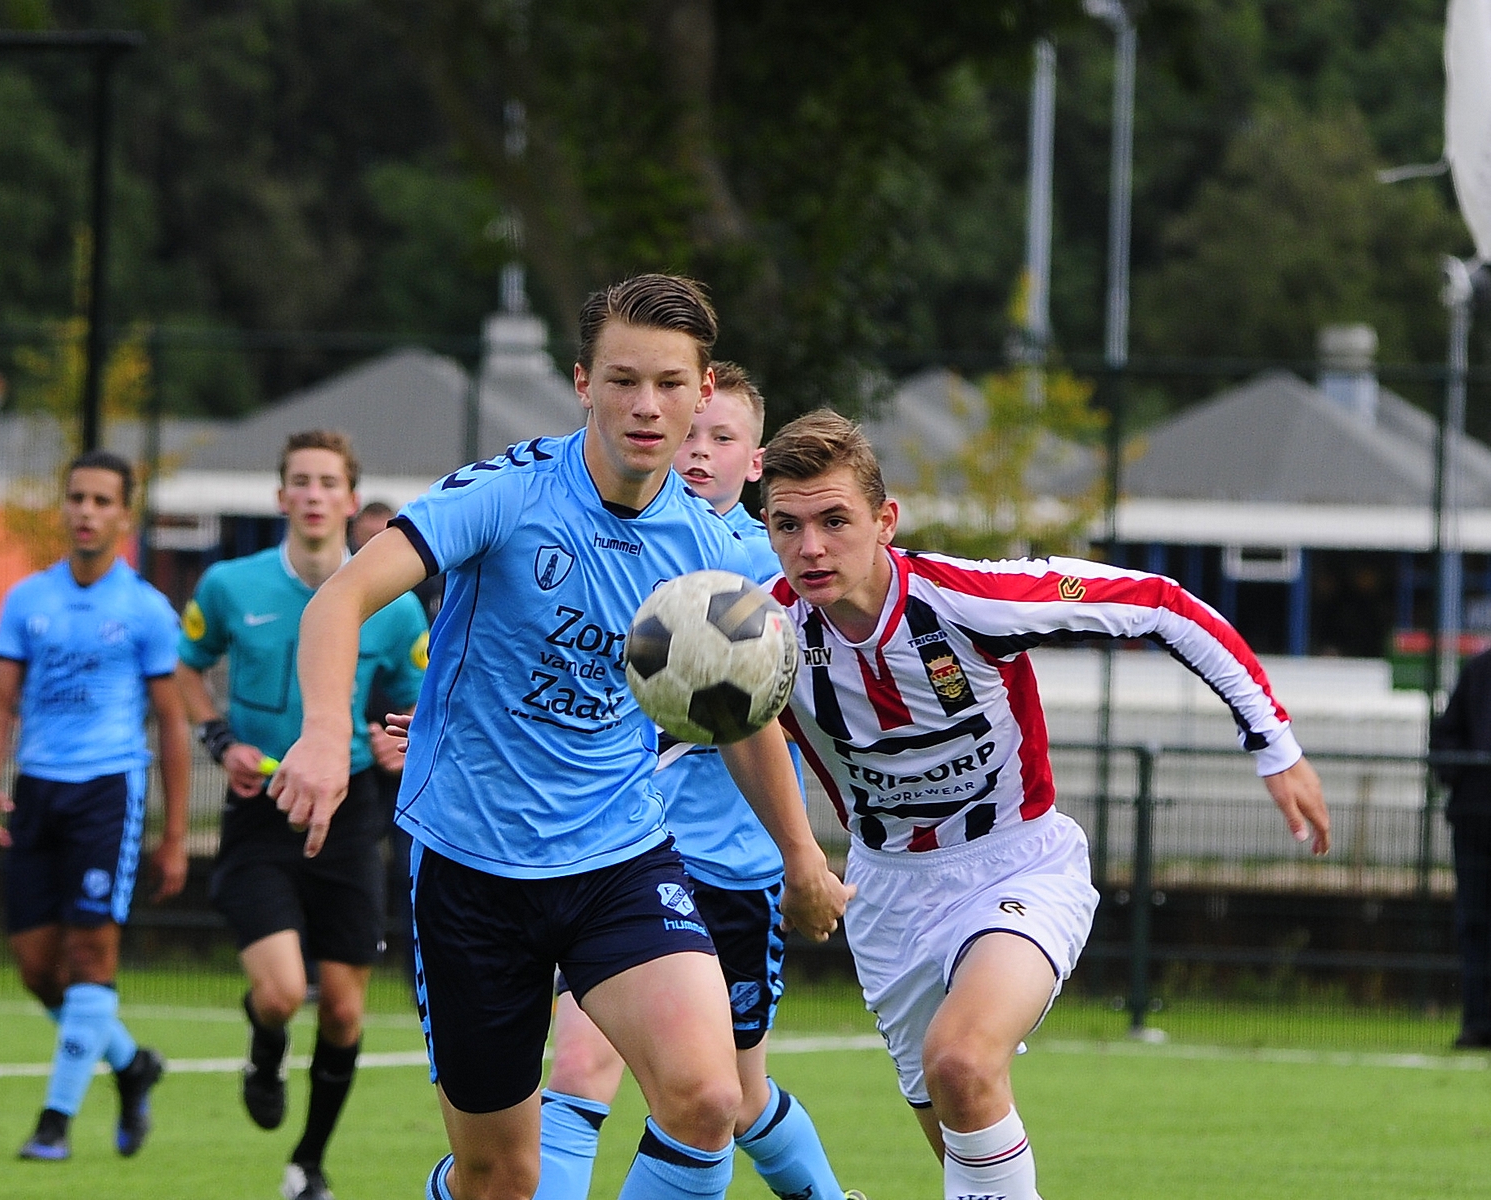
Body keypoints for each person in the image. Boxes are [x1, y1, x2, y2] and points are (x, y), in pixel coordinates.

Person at [270, 274, 852, 1200]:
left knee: (706, 1098)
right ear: (584, 383)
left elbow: (742, 717)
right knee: (500, 1175)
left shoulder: (720, 554)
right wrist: (318, 733)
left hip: (617, 857)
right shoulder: (504, 495)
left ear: (705, 394)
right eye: (624, 380)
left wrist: (801, 856)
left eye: (669, 383)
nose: (646, 405)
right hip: (471, 866)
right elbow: (342, 598)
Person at [756, 410, 1331, 1200]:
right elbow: (707, 725)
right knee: (956, 1130)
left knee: (959, 1060)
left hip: (1017, 864)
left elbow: (1160, 603)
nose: (810, 546)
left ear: (885, 521)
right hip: (885, 894)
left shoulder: (973, 601)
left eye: (834, 520)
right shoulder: (760, 632)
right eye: (786, 525)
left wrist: (1276, 744)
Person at [534, 362, 854, 1200]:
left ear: (756, 464)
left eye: (726, 438)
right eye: (693, 433)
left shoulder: (774, 566)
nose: (701, 452)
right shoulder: (608, 548)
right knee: (578, 1064)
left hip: (735, 870)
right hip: (622, 858)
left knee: (736, 1098)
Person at [175, 431, 429, 1200]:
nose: (314, 495)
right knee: (285, 991)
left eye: (329, 483)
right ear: (281, 497)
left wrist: (398, 743)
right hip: (259, 812)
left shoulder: (390, 602)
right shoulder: (228, 585)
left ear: (351, 502)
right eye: (300, 482)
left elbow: (415, 703)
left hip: (348, 813)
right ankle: (264, 1045)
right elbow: (187, 674)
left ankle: (308, 1162)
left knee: (347, 1010)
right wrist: (221, 742)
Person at [0, 449, 190, 1161]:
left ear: (124, 515)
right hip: (36, 790)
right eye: (77, 498)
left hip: (108, 791)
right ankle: (132, 1065)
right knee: (38, 968)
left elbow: (170, 721)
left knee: (91, 953)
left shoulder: (146, 610)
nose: (87, 512)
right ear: (64, 507)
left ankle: (54, 1124)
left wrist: (176, 831)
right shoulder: (27, 600)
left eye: (102, 501)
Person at [348, 499, 422, 957]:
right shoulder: (340, 596)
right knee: (343, 861)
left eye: (384, 537)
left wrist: (408, 734)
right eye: (367, 537)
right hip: (353, 755)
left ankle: (411, 959)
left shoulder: (410, 606)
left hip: (403, 748)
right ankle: (334, 960)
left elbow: (423, 681)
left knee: (409, 863)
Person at [1429, 652, 1491, 1050]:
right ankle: (1480, 1022)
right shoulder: (1479, 672)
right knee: (1476, 923)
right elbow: (1446, 736)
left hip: (1473, 814)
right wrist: (1464, 777)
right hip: (1476, 821)